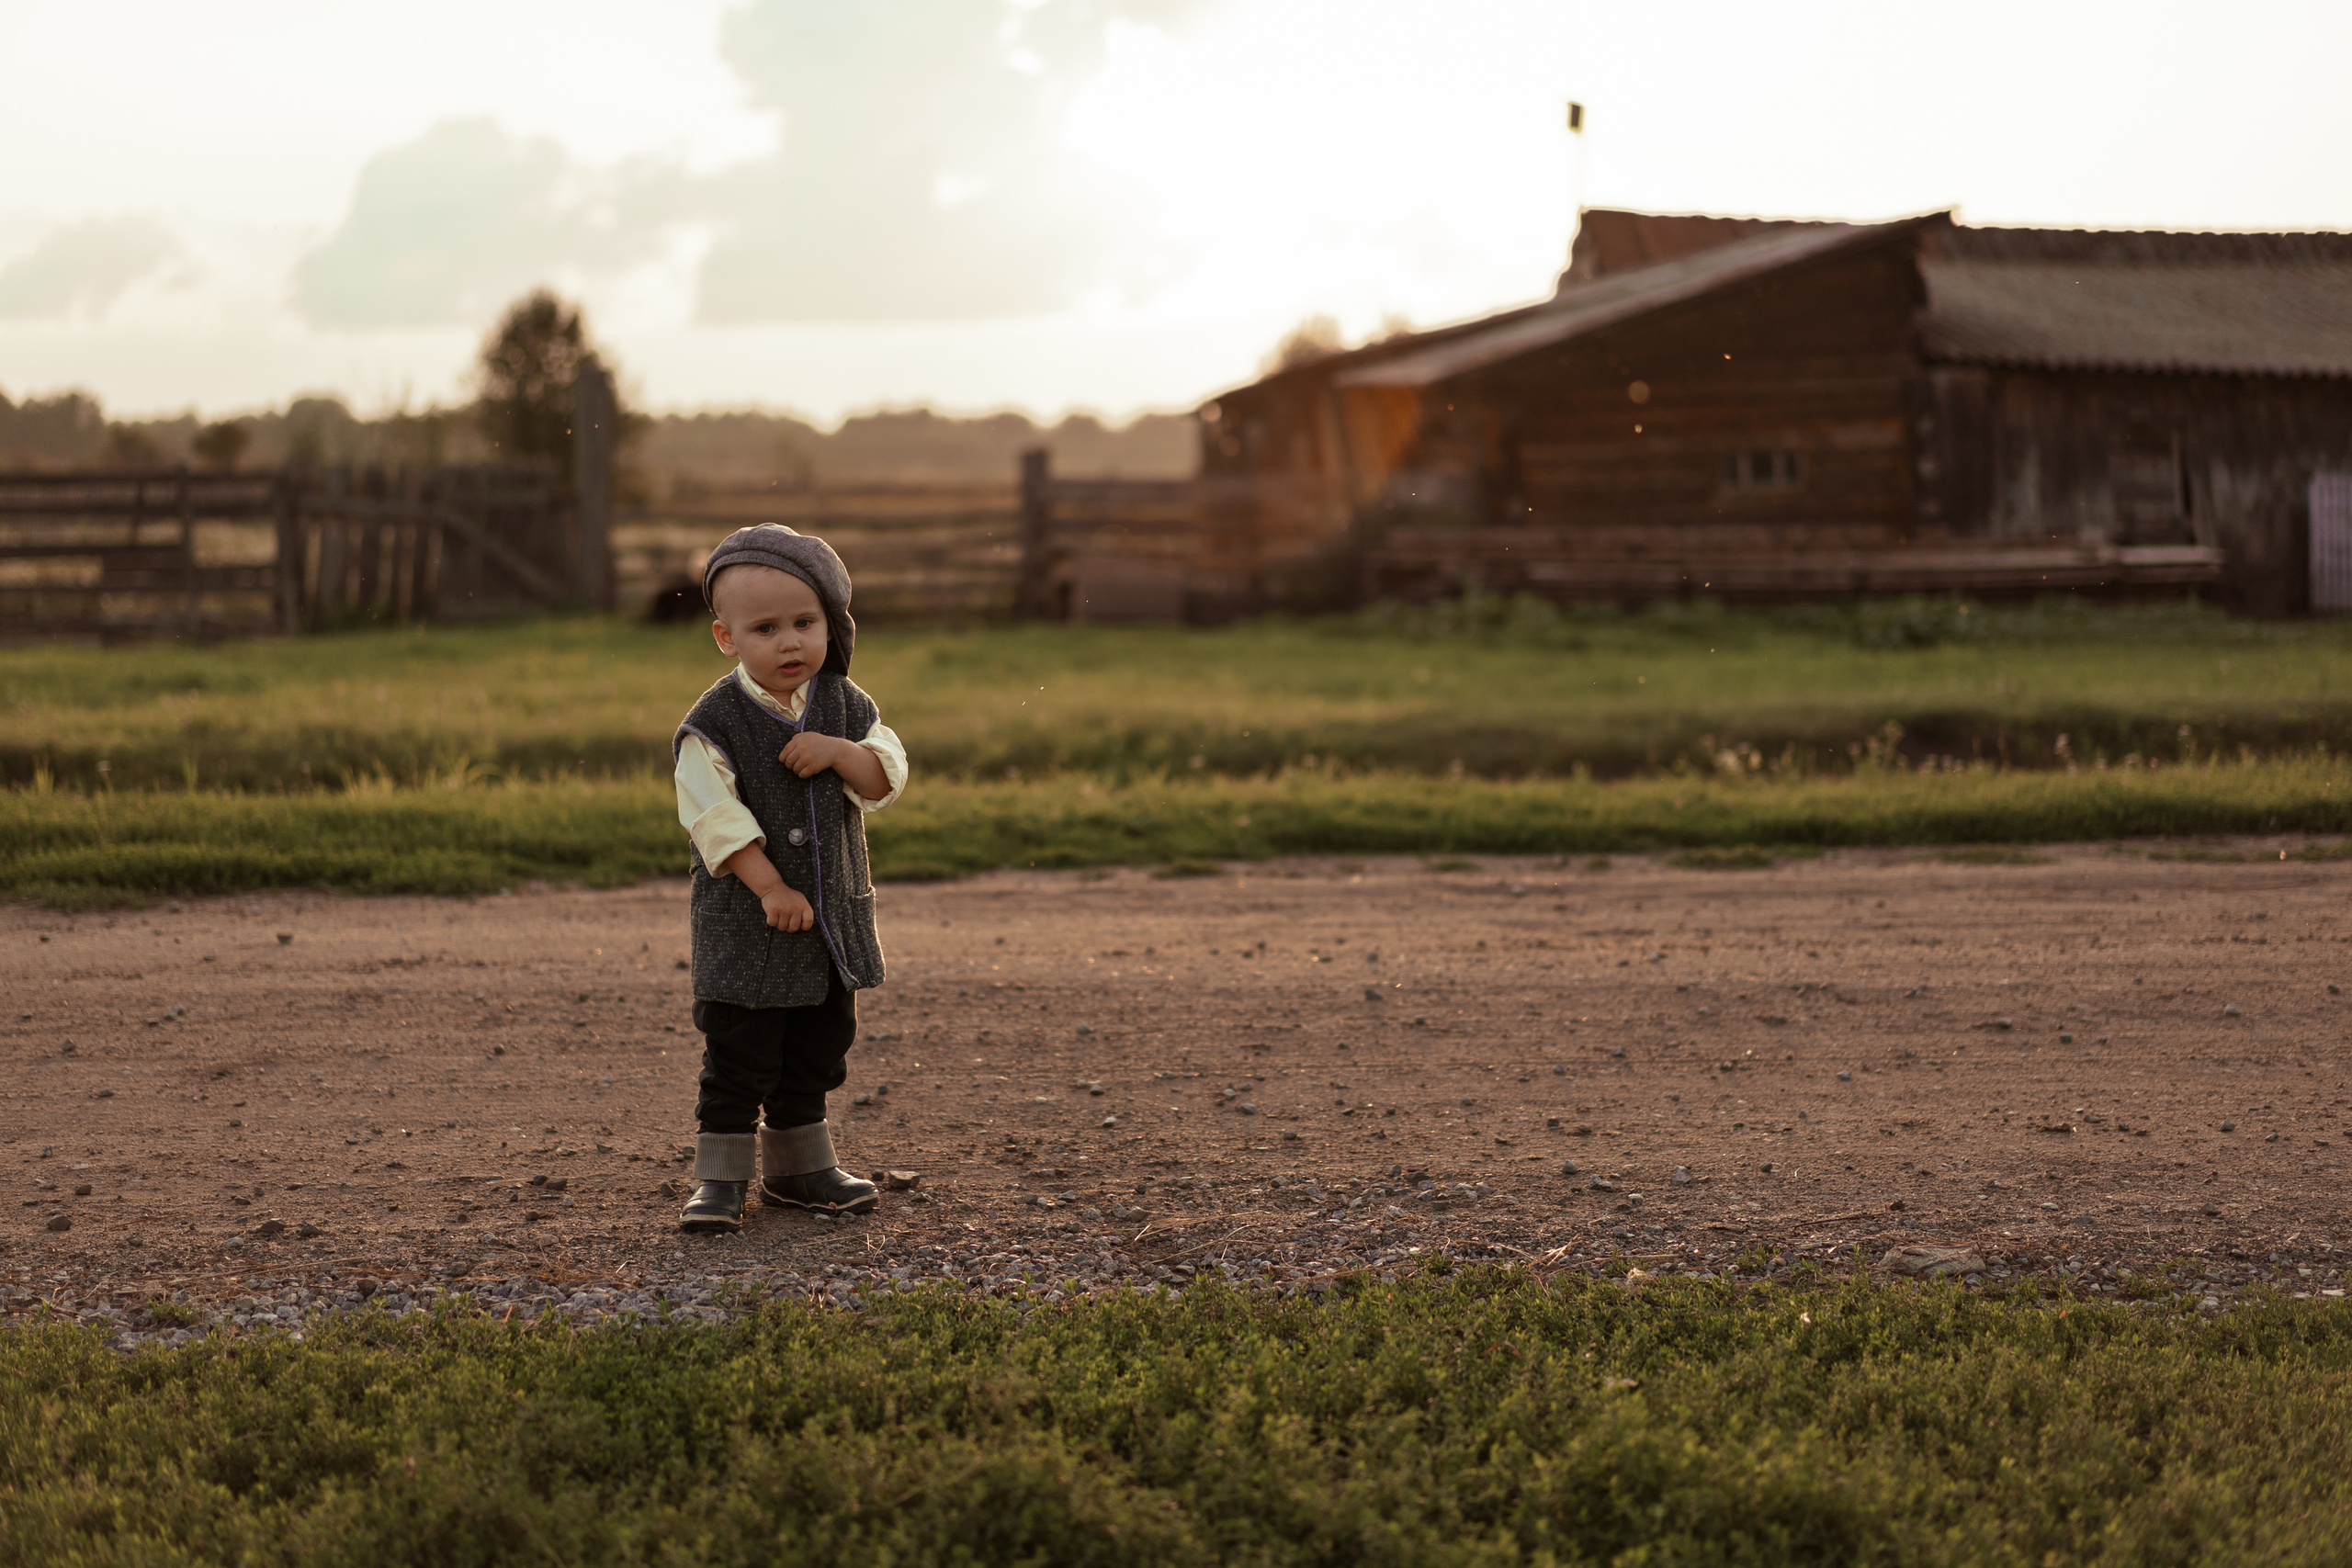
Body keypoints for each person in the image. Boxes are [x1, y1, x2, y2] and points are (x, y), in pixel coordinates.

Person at [670, 525, 908, 1233]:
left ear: (832, 625)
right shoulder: (712, 724)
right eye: (765, 628)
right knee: (740, 1054)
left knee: (818, 1046)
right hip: (750, 925)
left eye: (805, 623)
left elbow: (884, 775)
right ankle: (719, 1179)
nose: (789, 643)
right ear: (726, 636)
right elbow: (714, 818)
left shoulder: (845, 705)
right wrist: (770, 886)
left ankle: (801, 1166)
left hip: (827, 928)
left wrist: (839, 751)